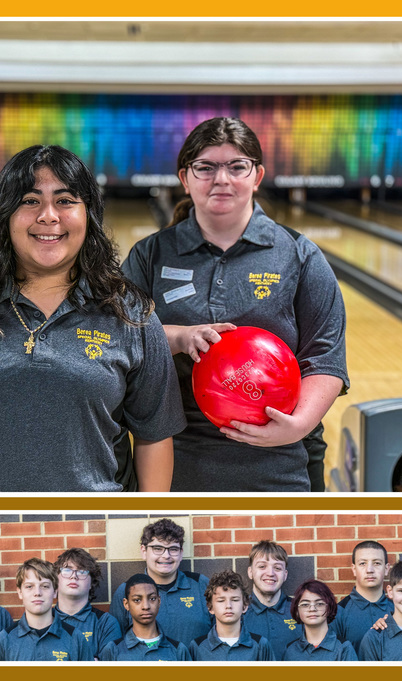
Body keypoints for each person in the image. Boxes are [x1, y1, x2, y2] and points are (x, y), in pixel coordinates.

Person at [0, 144, 185, 492]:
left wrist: (144, 518)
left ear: (88, 215)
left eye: (65, 200)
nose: (48, 216)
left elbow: (154, 437)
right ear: (5, 214)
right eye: (29, 201)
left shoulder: (131, 315)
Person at [122, 116, 349, 492]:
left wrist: (298, 425)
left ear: (256, 176)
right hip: (171, 448)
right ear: (185, 178)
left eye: (237, 166)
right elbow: (116, 339)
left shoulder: (299, 255)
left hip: (279, 451)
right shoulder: (150, 255)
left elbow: (325, 355)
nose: (221, 179)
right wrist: (176, 335)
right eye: (205, 167)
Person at [109, 518, 211, 643]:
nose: (166, 555)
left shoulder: (200, 585)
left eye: (173, 549)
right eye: (158, 548)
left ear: (181, 553)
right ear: (144, 551)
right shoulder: (126, 591)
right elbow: (116, 646)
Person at [0, 558, 89, 661]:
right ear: (20, 592)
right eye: (29, 586)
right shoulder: (4, 640)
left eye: (45, 586)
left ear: (55, 592)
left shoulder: (75, 638)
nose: (37, 592)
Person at [99, 574, 191, 661]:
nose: (146, 606)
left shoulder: (178, 650)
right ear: (126, 604)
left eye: (152, 599)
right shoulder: (113, 650)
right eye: (137, 600)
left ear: (159, 601)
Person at [190, 570, 275, 661]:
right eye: (221, 601)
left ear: (245, 606)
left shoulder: (260, 645)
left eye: (235, 600)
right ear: (210, 607)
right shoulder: (197, 647)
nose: (228, 606)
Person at [53, 547, 122, 659]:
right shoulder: (42, 621)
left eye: (81, 571)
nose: (74, 576)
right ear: (56, 580)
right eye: (67, 570)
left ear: (91, 583)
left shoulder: (106, 624)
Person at [333, 541, 393, 651]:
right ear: (354, 569)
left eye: (377, 563)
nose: (369, 570)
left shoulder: (397, 610)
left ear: (386, 569)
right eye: (362, 564)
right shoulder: (338, 612)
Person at [241, 540, 296, 657]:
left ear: (285, 574)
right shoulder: (238, 612)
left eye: (277, 568)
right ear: (250, 572)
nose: (270, 573)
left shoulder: (300, 611)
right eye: (262, 566)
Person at [283, 579, 358, 661]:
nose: (312, 609)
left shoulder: (343, 648)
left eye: (319, 604)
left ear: (329, 608)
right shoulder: (290, 651)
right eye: (305, 604)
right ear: (297, 611)